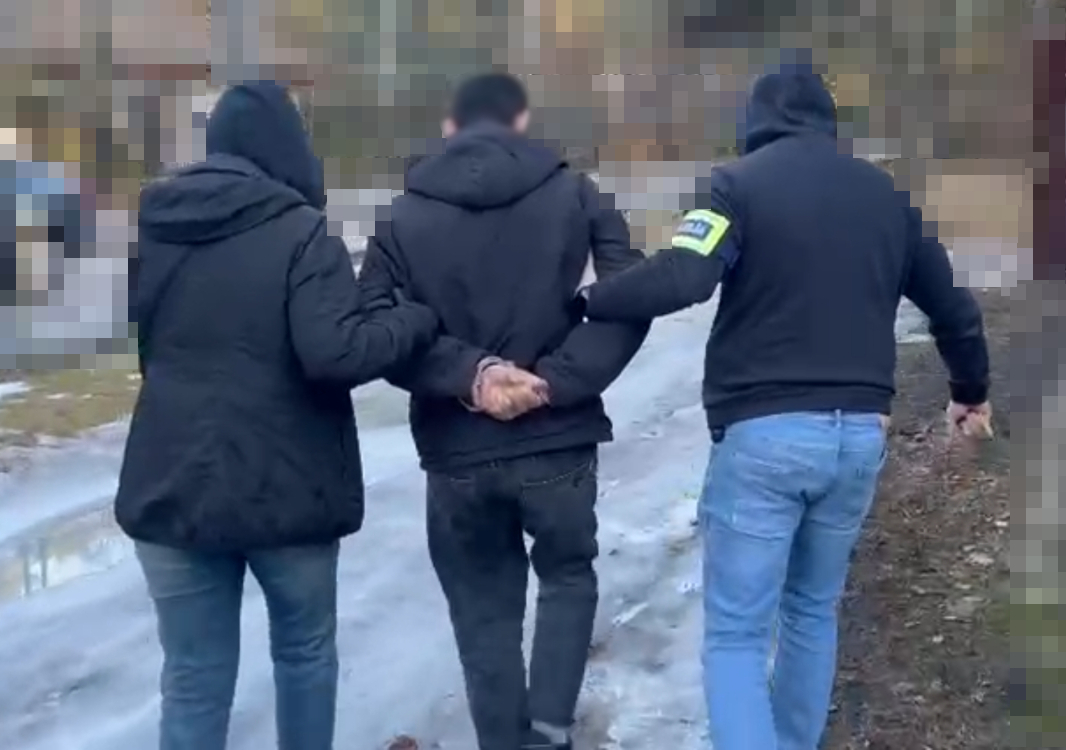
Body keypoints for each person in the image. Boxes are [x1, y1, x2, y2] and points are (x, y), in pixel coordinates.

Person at [578, 67, 993, 750]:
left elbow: (685, 276)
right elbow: (953, 307)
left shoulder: (737, 185)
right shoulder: (887, 196)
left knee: (737, 634)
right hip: (858, 437)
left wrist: (591, 300)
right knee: (811, 611)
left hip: (764, 437)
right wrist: (969, 390)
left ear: (755, 122)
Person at [114, 81, 438, 750]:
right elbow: (335, 353)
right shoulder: (300, 230)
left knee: (193, 679)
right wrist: (412, 319)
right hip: (286, 487)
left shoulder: (155, 226)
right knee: (303, 653)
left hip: (170, 482)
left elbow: (153, 352)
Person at [358, 72, 650, 750]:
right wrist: (555, 380)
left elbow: (373, 327)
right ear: (520, 120)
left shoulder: (401, 215)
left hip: (456, 449)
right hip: (559, 437)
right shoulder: (577, 192)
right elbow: (631, 296)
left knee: (482, 611)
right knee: (567, 580)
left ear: (450, 126)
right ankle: (547, 734)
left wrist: (471, 375)